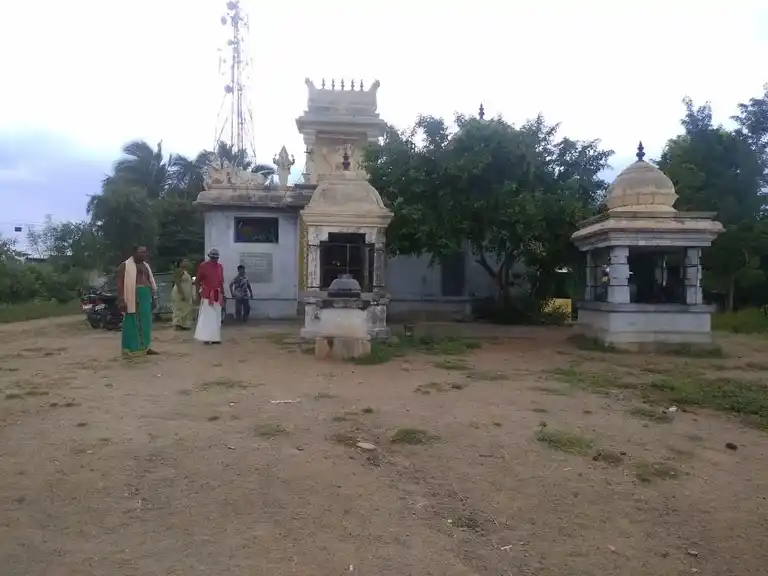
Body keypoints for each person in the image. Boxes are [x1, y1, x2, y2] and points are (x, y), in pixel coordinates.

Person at [116, 245, 158, 356]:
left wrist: (153, 298)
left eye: (145, 252)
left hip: (146, 296)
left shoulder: (146, 266)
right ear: (134, 253)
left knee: (146, 323)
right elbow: (119, 283)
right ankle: (131, 349)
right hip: (133, 296)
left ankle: (146, 347)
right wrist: (121, 299)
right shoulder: (124, 266)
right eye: (141, 252)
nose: (144, 254)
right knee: (132, 322)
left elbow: (150, 281)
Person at [194, 248, 225, 344]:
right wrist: (197, 293)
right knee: (207, 317)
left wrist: (223, 294)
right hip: (207, 294)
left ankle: (215, 338)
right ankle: (206, 338)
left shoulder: (220, 267)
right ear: (209, 257)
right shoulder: (203, 266)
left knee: (217, 317)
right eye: (213, 257)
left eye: (216, 258)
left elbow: (221, 282)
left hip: (217, 295)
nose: (215, 259)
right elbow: (197, 281)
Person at [171, 259, 194, 330]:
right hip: (179, 292)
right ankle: (177, 324)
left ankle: (184, 325)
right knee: (179, 308)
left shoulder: (186, 272)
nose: (187, 263)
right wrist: (182, 294)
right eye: (185, 261)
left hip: (186, 292)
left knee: (186, 308)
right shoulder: (178, 271)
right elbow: (177, 283)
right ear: (180, 263)